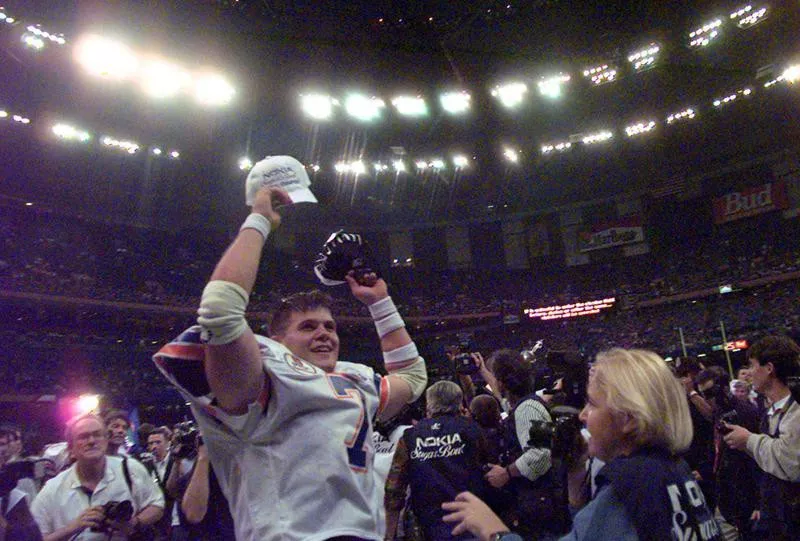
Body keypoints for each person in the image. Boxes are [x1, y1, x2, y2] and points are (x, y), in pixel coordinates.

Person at [153, 183, 427, 541]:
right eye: (308, 327)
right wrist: (260, 220)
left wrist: (380, 303)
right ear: (275, 341)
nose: (324, 334)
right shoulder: (266, 373)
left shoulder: (354, 377)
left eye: (329, 326)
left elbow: (412, 375)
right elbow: (220, 312)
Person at [441, 348, 722, 541]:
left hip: (536, 505)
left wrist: (494, 529)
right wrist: (576, 474)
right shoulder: (671, 467)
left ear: (629, 418)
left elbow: (540, 455)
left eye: (592, 403)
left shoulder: (630, 482)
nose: (584, 414)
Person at [31, 413, 164, 541]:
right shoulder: (53, 489)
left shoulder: (130, 469)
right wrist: (73, 527)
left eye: (97, 435)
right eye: (83, 437)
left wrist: (134, 523)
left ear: (106, 440)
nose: (92, 441)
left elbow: (157, 504)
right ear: (71, 448)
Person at [384, 381, 490, 540]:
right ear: (459, 402)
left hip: (428, 527)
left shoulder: (410, 436)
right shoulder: (474, 430)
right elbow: (490, 469)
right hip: (472, 523)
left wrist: (388, 535)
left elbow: (394, 489)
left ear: (429, 403)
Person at [480, 349, 566, 538]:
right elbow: (504, 401)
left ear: (503, 383)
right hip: (538, 503)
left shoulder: (529, 409)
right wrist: (482, 371)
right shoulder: (526, 406)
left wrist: (506, 473)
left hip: (539, 509)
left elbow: (541, 454)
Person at [722, 335, 800, 538]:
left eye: (753, 365)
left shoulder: (796, 410)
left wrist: (749, 440)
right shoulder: (771, 411)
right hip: (779, 516)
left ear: (769, 368)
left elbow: (791, 462)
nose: (749, 372)